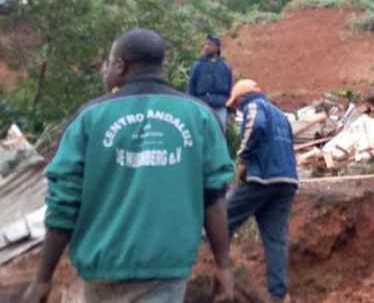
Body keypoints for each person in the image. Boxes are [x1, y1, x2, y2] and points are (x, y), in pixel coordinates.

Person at [23, 29, 235, 303]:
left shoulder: (90, 118)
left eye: (108, 63)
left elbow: (64, 203)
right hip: (167, 272)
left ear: (121, 65)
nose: (105, 70)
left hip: (104, 274)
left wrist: (42, 278)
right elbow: (214, 196)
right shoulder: (200, 117)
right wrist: (223, 265)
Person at [225, 79, 299, 303]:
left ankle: (207, 268)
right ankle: (279, 296)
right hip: (286, 181)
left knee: (221, 221)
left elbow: (255, 126)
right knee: (275, 241)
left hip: (261, 178)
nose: (238, 111)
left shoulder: (254, 106)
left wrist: (243, 159)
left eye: (236, 106)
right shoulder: (281, 115)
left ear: (241, 98)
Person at [188, 34, 234, 128]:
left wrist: (231, 111)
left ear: (217, 48)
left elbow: (231, 89)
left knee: (219, 136)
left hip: (220, 107)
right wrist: (190, 107)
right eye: (205, 44)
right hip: (202, 107)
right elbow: (191, 87)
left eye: (210, 44)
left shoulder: (225, 66)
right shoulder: (198, 65)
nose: (206, 47)